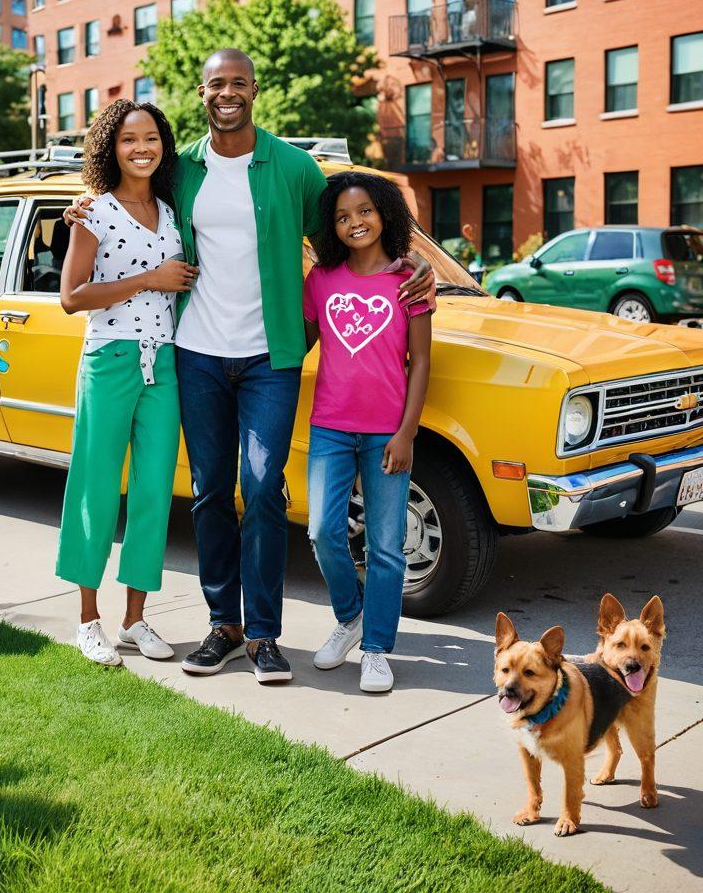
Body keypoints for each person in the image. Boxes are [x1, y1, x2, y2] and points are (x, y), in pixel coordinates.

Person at [68, 49, 434, 684]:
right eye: (216, 84)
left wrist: (411, 261)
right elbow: (120, 199)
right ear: (202, 94)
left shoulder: (293, 168)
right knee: (210, 490)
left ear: (255, 90)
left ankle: (264, 632)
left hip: (270, 357)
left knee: (262, 487)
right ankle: (224, 626)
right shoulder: (180, 171)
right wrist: (81, 205)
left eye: (238, 83)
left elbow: (355, 223)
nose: (227, 93)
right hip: (197, 353)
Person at [56, 99, 198, 666]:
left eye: (152, 139)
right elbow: (72, 297)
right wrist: (151, 279)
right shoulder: (93, 213)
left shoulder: (172, 210)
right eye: (128, 139)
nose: (142, 148)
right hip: (109, 358)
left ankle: (136, 619)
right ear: (109, 147)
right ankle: (88, 620)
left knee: (152, 493)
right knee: (94, 486)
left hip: (164, 363)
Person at [303, 171, 433, 693]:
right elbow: (301, 341)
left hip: (387, 434)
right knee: (321, 531)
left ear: (384, 214)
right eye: (342, 216)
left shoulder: (410, 281)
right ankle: (349, 616)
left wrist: (406, 434)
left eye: (364, 212)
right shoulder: (322, 280)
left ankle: (377, 648)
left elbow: (421, 362)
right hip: (331, 427)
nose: (355, 222)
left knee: (384, 546)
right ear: (331, 227)